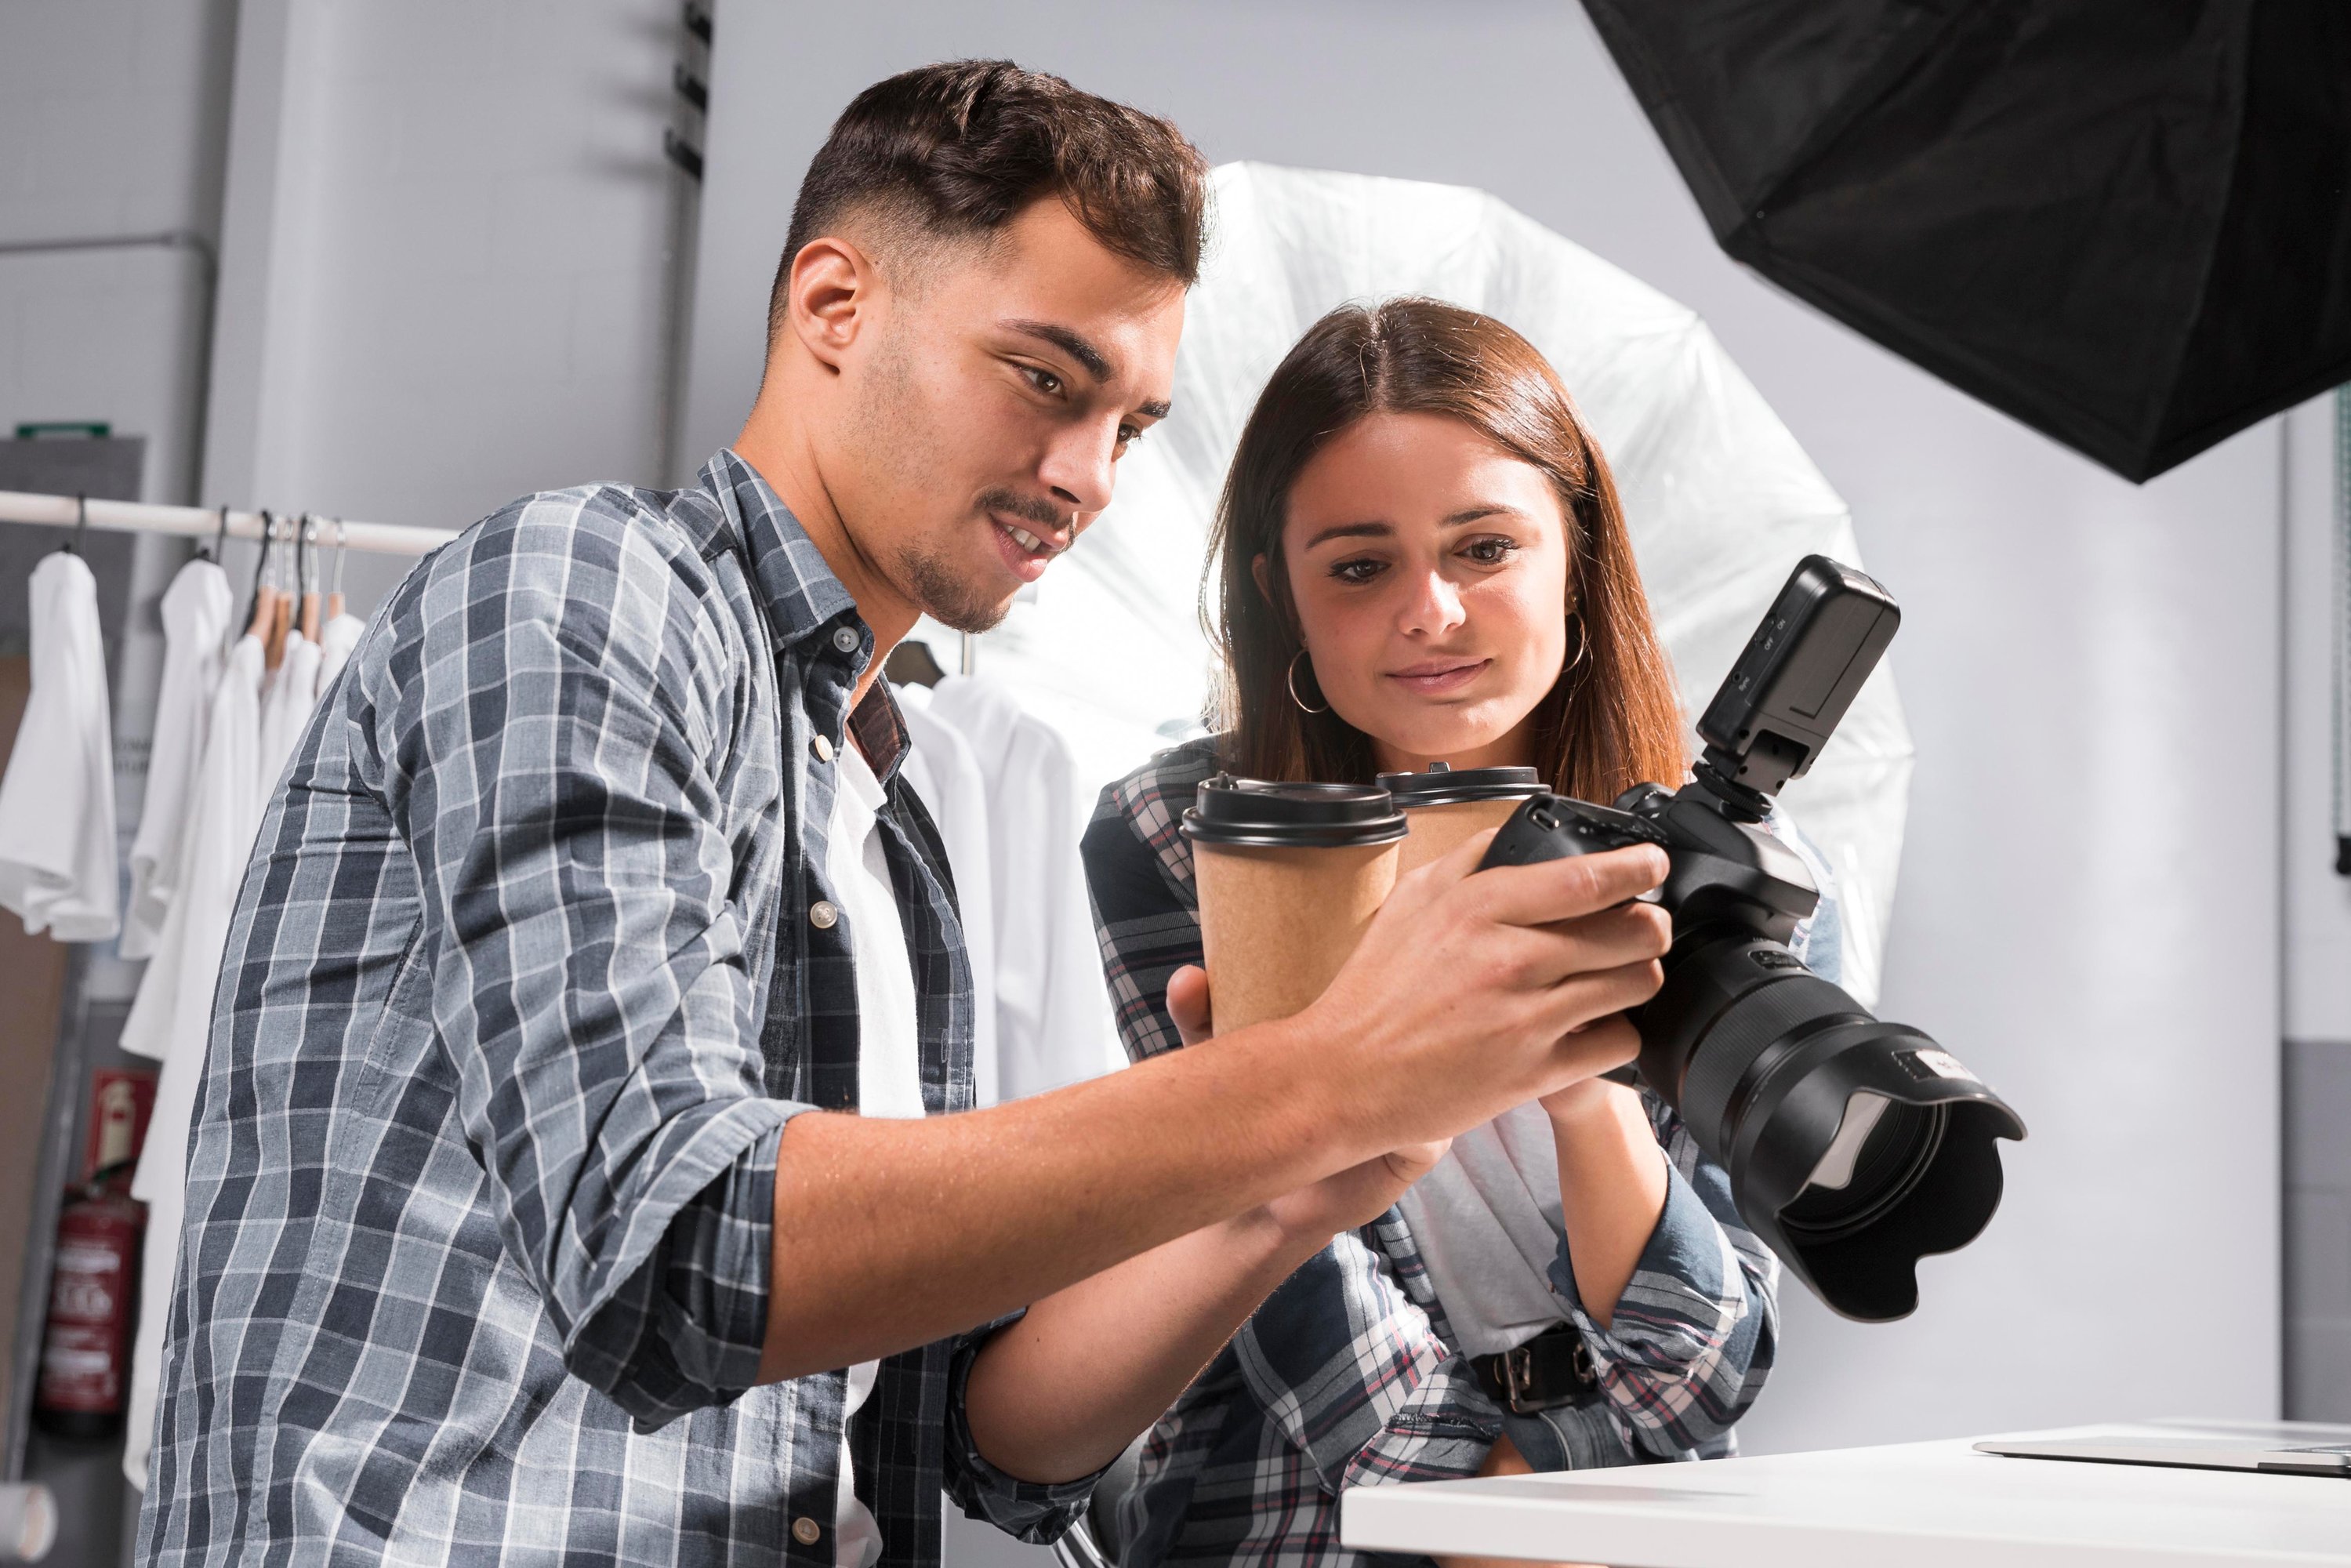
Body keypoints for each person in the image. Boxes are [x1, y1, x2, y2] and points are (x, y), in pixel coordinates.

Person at [138, 64, 1678, 1568]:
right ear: (834, 307)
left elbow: (974, 1445)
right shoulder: (580, 594)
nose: (1085, 475)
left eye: (1130, 423)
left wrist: (1274, 1202)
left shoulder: (895, 806)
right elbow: (686, 1251)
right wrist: (1314, 1080)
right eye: (1043, 379)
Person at [1084, 298, 1835, 1568]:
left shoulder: (1742, 874)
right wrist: (1474, 1505)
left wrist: (1584, 1087)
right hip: (1291, 1532)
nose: (1430, 612)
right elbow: (1265, 1238)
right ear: (1285, 593)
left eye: (1484, 548)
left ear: (1575, 557)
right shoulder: (1185, 835)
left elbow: (1710, 1367)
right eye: (1362, 566)